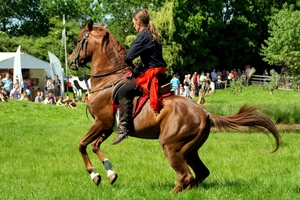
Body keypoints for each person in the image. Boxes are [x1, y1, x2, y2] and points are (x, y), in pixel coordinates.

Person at [112, 9, 168, 145]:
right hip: (158, 72)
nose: (133, 26)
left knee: (123, 90)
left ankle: (124, 127)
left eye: (133, 23)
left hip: (152, 74)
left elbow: (128, 56)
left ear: (138, 21)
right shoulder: (151, 34)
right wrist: (134, 73)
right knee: (129, 83)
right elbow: (145, 60)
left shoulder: (143, 35)